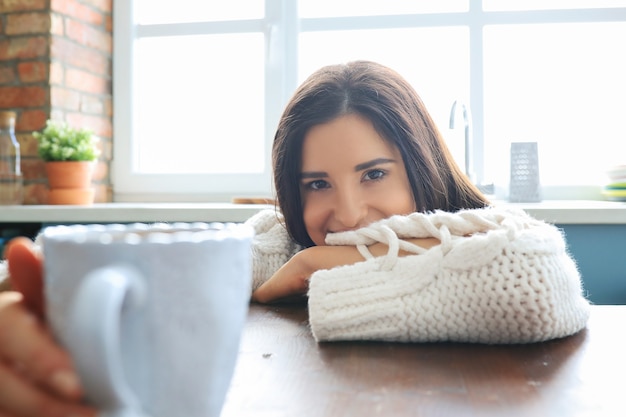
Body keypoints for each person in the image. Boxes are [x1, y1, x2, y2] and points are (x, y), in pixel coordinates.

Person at [0, 60, 590, 416]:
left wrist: (322, 268)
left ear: (421, 162)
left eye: (375, 174)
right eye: (317, 184)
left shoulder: (488, 227)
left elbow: (534, 283)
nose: (349, 212)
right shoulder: (283, 239)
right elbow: (204, 262)